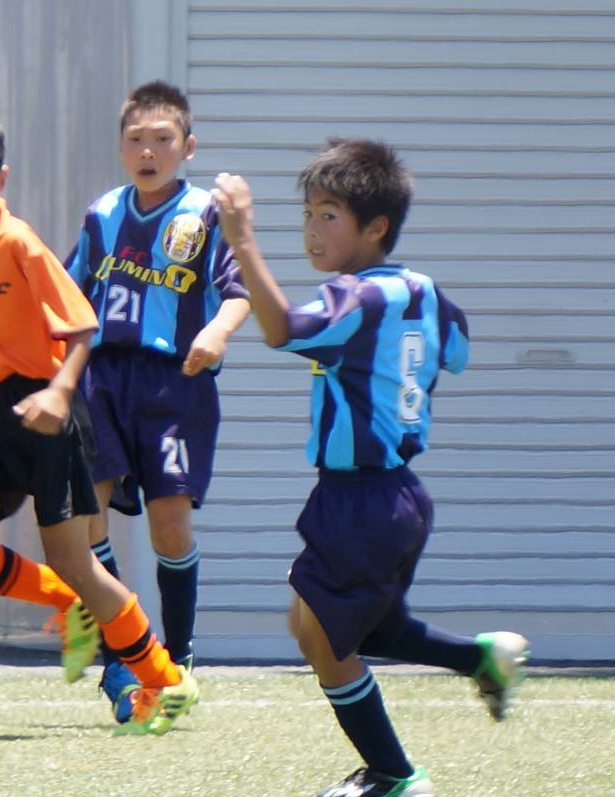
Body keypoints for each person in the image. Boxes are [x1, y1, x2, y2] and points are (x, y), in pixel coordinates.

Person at [211, 139, 530, 797]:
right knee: (334, 626)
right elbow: (458, 352)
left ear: (375, 226)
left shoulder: (355, 298)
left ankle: (395, 776)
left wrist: (241, 240)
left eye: (328, 215)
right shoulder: (423, 291)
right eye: (307, 214)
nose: (311, 230)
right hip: (394, 496)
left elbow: (283, 330)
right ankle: (481, 658)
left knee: (326, 644)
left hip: (362, 500)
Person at [0, 106, 197, 736]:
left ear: (1, 179)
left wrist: (59, 394)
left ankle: (163, 679)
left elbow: (80, 325)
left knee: (77, 562)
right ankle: (71, 604)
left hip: (49, 409)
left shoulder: (18, 241)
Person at [64, 81, 250, 722]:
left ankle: (180, 655)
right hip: (103, 378)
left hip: (175, 384)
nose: (149, 151)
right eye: (136, 139)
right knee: (87, 517)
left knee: (169, 524)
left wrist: (216, 332)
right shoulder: (102, 215)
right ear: (121, 148)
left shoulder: (204, 215)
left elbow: (238, 293)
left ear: (188, 147)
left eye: (162, 139)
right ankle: (124, 652)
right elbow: (67, 290)